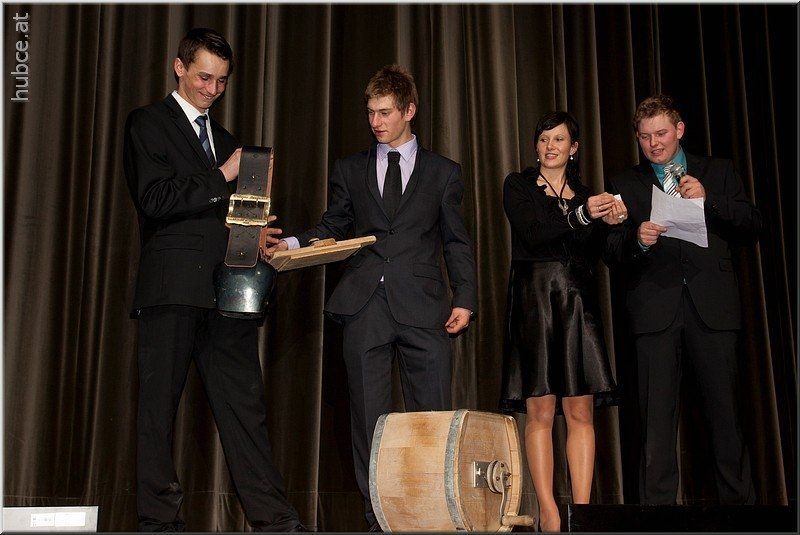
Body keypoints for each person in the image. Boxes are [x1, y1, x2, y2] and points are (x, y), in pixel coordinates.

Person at [267, 65, 477, 531]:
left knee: (432, 418)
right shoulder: (350, 168)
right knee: (369, 422)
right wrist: (292, 244)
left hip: (423, 306)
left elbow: (456, 241)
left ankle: (432, 518)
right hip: (364, 307)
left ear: (409, 110)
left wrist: (464, 298)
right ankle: (377, 519)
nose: (376, 122)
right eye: (370, 113)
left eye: (385, 112)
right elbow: (333, 225)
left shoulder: (444, 172)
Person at [123, 28, 304, 532]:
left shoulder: (227, 142)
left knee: (246, 410)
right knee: (158, 414)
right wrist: (223, 175)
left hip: (228, 292)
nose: (212, 89)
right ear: (179, 67)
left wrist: (256, 233)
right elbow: (155, 200)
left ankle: (276, 522)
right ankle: (159, 524)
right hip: (171, 290)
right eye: (204, 77)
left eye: (222, 81)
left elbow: (228, 217)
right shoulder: (147, 124)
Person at [603, 94, 759, 505]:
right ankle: (657, 518)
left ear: (680, 130)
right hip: (655, 310)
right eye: (645, 137)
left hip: (713, 308)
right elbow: (611, 249)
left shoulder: (717, 171)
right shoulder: (626, 183)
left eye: (661, 134)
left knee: (726, 418)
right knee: (655, 425)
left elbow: (751, 224)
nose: (654, 144)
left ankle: (740, 515)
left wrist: (709, 201)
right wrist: (637, 240)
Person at [500, 111, 626, 532]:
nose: (549, 146)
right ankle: (550, 512)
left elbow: (605, 255)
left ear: (574, 148)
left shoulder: (589, 196)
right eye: (543, 139)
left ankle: (581, 513)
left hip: (577, 305)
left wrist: (615, 225)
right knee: (539, 409)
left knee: (580, 411)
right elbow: (535, 233)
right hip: (534, 303)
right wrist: (584, 216)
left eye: (558, 140)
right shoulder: (519, 185)